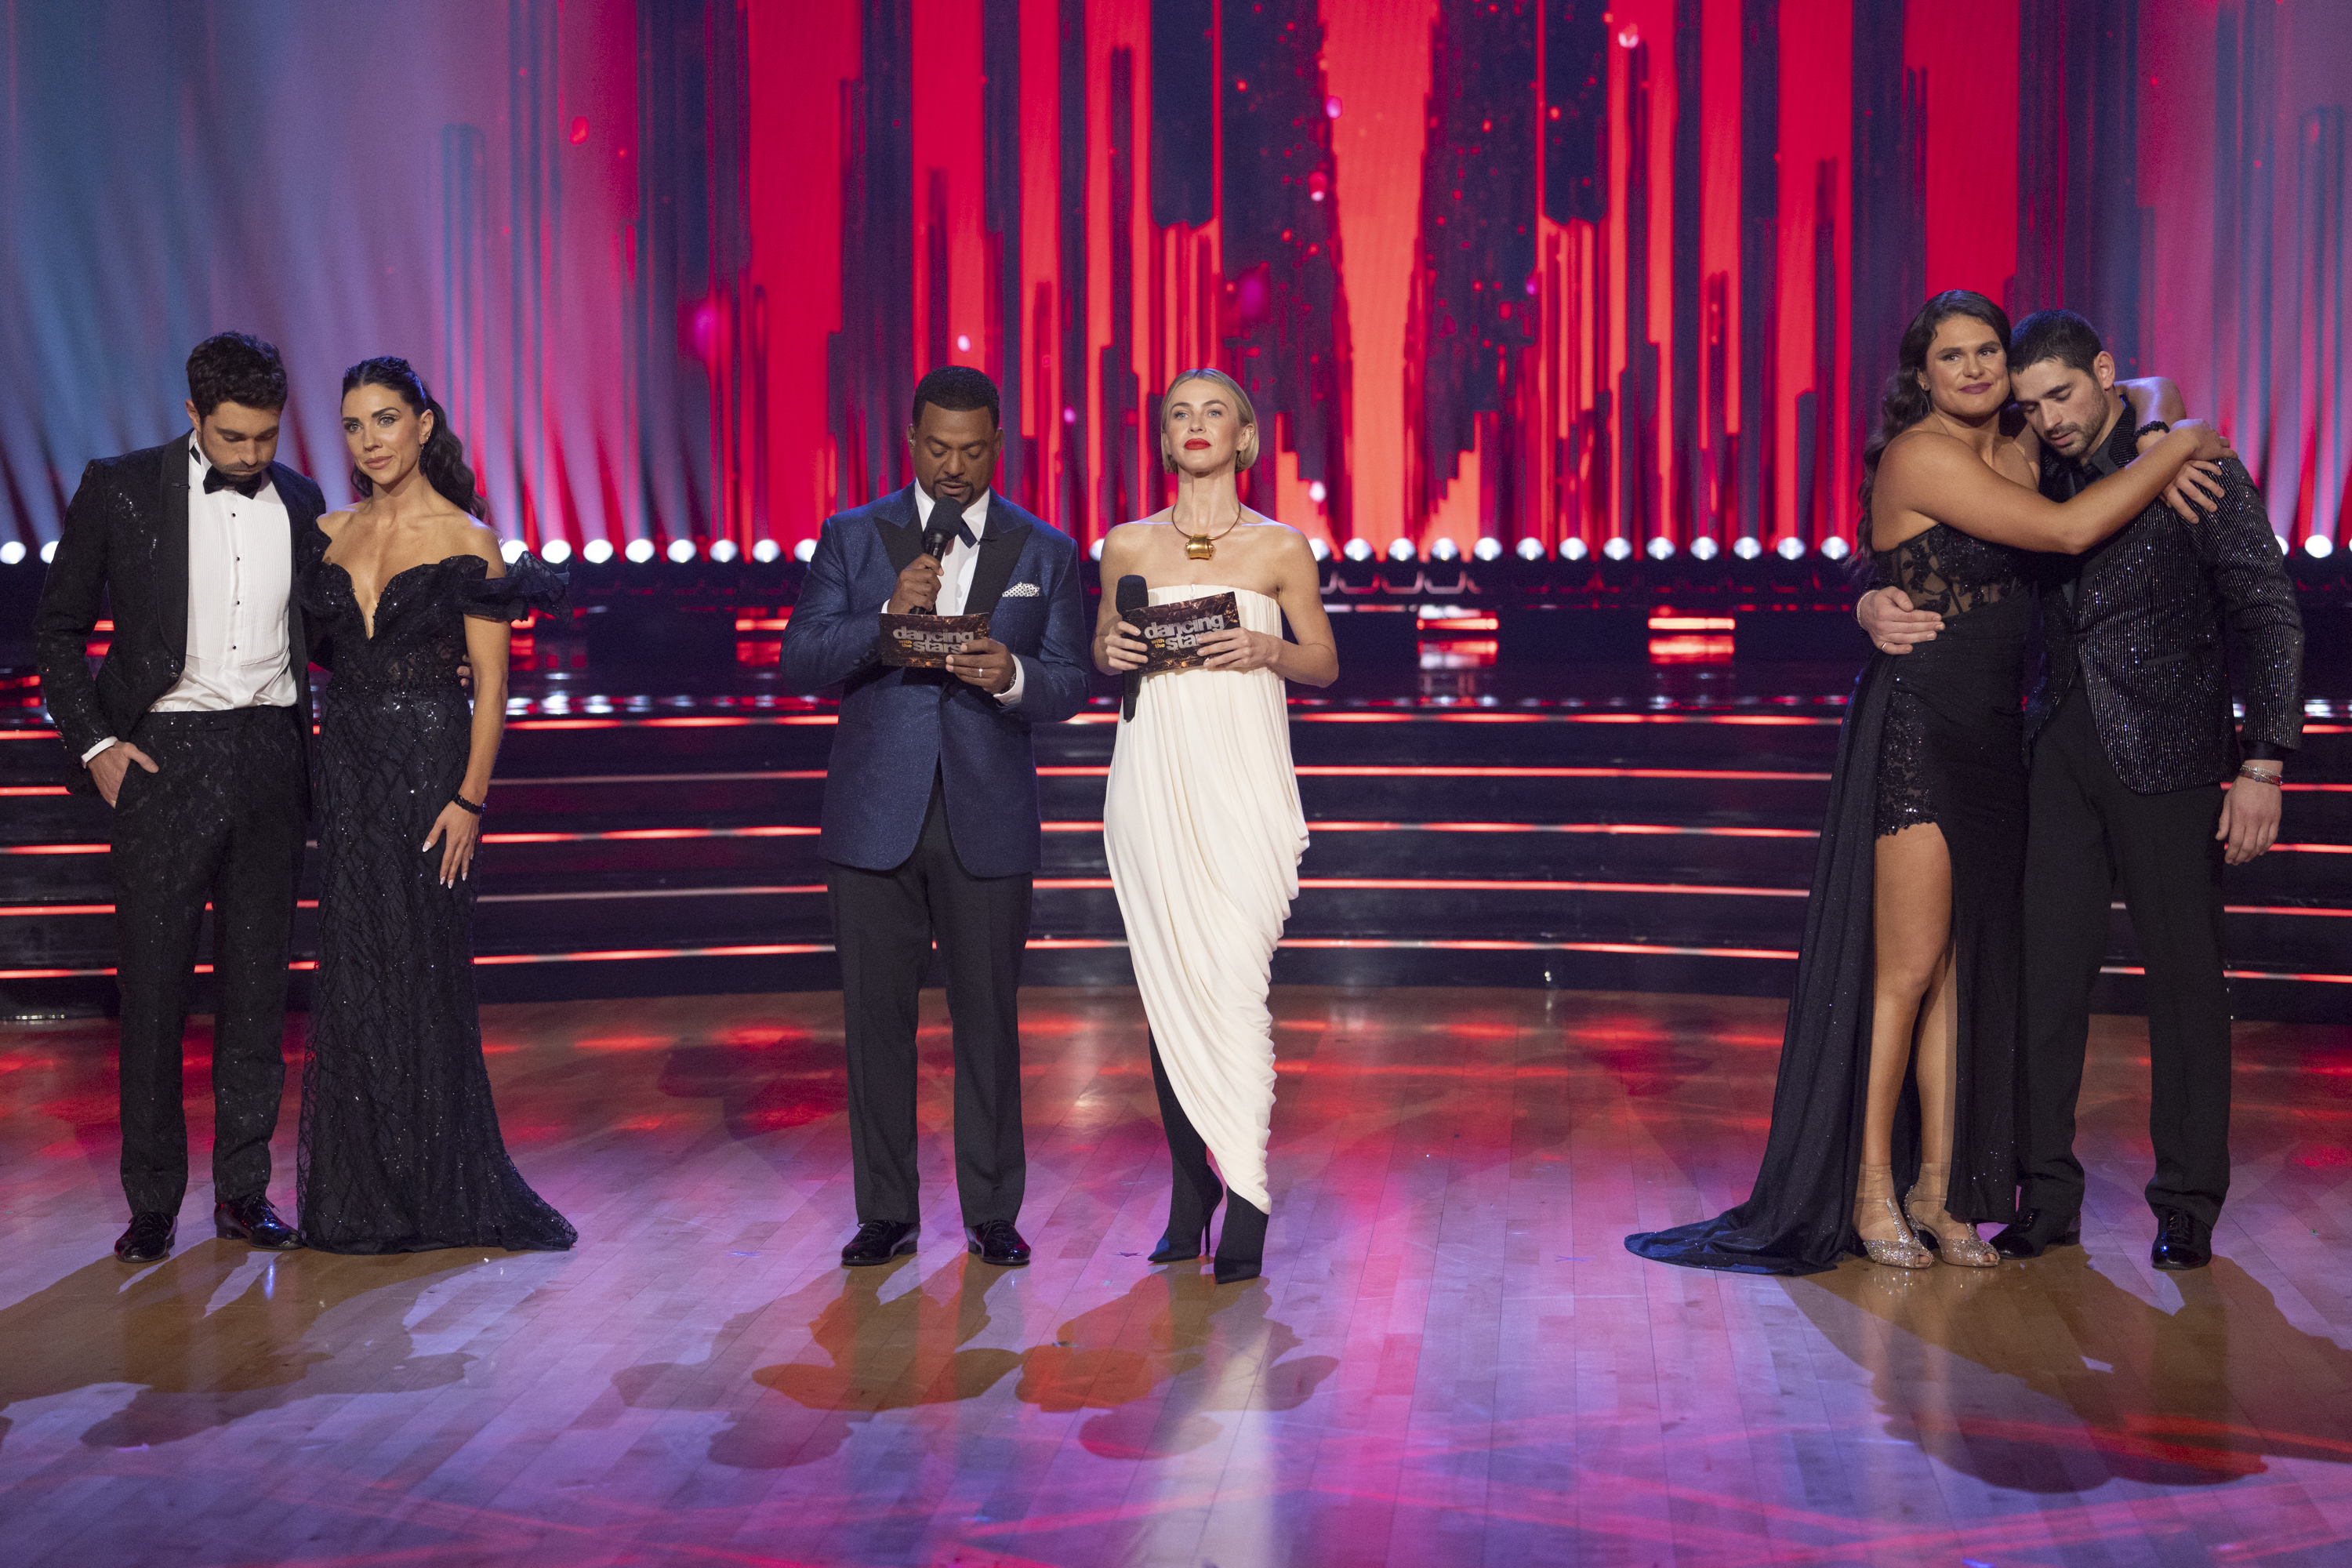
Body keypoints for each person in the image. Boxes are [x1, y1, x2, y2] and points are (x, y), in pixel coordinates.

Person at [1628, 291, 2230, 1276]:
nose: (1977, 368)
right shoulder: (1924, 455)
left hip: (2000, 735)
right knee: (1906, 972)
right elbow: (2070, 532)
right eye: (1953, 356)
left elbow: (2131, 391)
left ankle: (1942, 1194)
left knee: (1961, 975)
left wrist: (2167, 414)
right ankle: (1870, 1186)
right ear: (1922, 376)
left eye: (1989, 349)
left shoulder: (2024, 443)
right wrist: (2180, 448)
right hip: (1921, 724)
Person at [1862, 310, 2303, 1272]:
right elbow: (1925, 545)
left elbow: (2270, 613)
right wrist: (1869, 595)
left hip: (2173, 756)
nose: (2050, 417)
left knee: (2186, 988)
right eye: (2032, 403)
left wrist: (2263, 759)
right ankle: (2045, 1196)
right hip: (2052, 759)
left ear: (2106, 372)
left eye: (2063, 394)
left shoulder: (2192, 469)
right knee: (2043, 983)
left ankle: (2186, 1202)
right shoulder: (2034, 466)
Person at [779, 365, 1091, 1269]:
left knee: (987, 1018)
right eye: (938, 448)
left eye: (972, 449)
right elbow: (802, 658)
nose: (955, 467)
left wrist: (1017, 678)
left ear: (1000, 443)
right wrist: (884, 617)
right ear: (911, 440)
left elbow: (1071, 678)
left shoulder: (1046, 550)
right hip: (875, 815)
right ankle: (886, 1210)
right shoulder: (852, 535)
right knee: (875, 1022)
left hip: (986, 815)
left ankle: (993, 1209)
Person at [34, 332, 324, 1263]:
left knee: (256, 991)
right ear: (193, 415)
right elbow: (58, 628)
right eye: (234, 437)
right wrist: (98, 745)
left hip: (270, 755)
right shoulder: (121, 486)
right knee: (154, 991)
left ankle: (244, 1190)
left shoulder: (306, 502)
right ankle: (152, 1200)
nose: (251, 456)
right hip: (163, 758)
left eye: (266, 438)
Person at [295, 356, 574, 1254]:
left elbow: (491, 688)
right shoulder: (326, 531)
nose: (368, 440)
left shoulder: (469, 538)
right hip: (346, 770)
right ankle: (363, 1191)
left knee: (422, 966)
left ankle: (441, 1185)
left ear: (423, 423)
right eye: (352, 425)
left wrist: (470, 798)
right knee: (354, 969)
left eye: (384, 420)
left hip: (432, 773)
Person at [1094, 368, 1338, 1284]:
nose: (1196, 425)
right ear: (1164, 440)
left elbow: (1323, 660)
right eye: (1177, 414)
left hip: (1240, 786)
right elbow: (1105, 648)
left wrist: (1268, 646)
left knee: (1230, 986)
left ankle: (1250, 1188)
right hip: (1153, 782)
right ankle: (1192, 1191)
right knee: (1170, 990)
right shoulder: (1125, 543)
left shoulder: (1280, 548)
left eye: (1214, 412)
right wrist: (1104, 647)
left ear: (1245, 437)